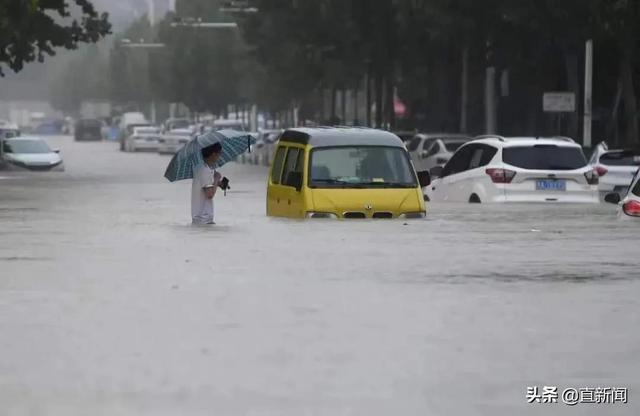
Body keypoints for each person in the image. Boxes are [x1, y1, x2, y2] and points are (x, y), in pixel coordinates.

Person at [192, 142, 223, 225]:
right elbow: (209, 194)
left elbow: (206, 186)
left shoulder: (202, 168)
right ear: (213, 154)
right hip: (204, 220)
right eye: (220, 153)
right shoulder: (205, 171)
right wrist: (216, 179)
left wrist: (218, 183)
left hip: (201, 219)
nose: (220, 156)